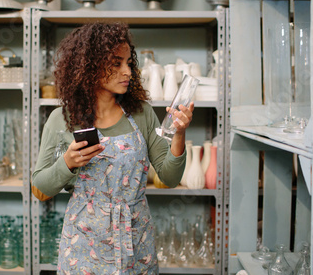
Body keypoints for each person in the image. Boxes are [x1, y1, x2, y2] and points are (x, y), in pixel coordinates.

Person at [31, 22, 194, 274]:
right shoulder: (62, 120)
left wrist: (179, 134)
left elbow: (170, 177)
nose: (127, 71)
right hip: (83, 244)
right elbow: (40, 189)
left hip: (135, 239)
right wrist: (68, 163)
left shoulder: (141, 115)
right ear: (90, 66)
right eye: (116, 63)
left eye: (129, 62)